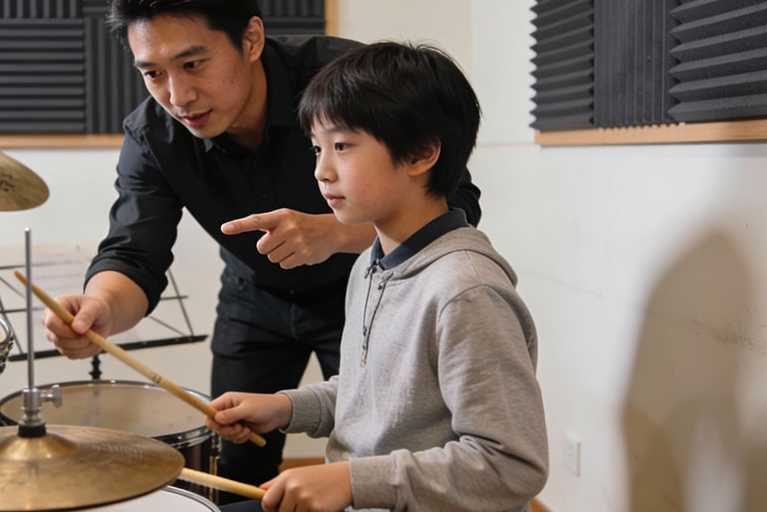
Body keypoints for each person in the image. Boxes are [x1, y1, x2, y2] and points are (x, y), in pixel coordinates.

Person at [41, 0, 483, 491]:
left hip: (367, 287)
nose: (177, 97)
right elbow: (135, 253)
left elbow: (456, 202)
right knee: (231, 458)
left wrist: (335, 235)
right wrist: (101, 309)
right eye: (152, 73)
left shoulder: (344, 80)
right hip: (254, 298)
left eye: (193, 64)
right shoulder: (153, 134)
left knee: (386, 448)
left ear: (251, 39)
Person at [203, 41, 547, 512]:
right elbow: (375, 395)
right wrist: (286, 407)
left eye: (342, 146)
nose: (321, 171)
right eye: (317, 148)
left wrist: (352, 481)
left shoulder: (466, 291)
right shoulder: (373, 261)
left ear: (421, 154)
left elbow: (512, 466)